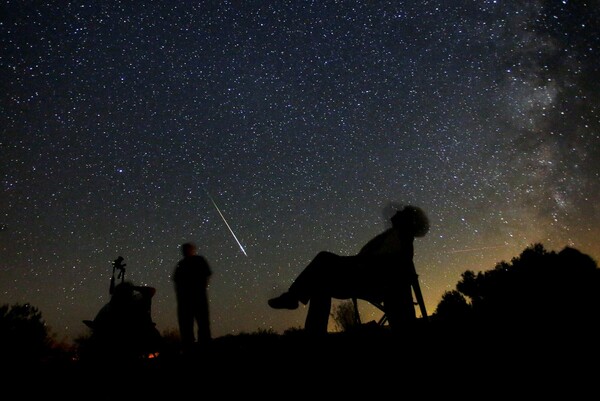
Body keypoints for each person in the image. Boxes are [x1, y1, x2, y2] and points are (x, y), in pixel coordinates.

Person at [268, 205, 429, 334]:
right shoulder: (395, 236)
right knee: (320, 284)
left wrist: (358, 263)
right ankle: (312, 333)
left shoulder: (401, 238)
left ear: (407, 220)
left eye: (402, 212)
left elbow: (386, 263)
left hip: (370, 279)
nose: (397, 212)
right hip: (364, 274)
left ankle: (293, 297)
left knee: (324, 259)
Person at [172, 242, 213, 354]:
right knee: (189, 327)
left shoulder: (197, 261)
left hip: (195, 298)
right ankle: (192, 349)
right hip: (190, 299)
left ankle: (202, 348)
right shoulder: (183, 264)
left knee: (201, 325)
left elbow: (205, 277)